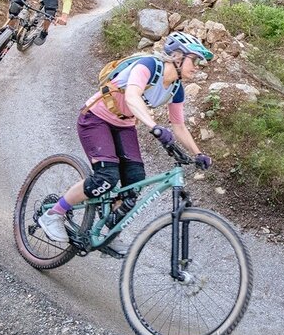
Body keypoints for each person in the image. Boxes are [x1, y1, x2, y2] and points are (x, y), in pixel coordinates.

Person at [37, 32, 215, 251]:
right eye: (194, 60)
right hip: (95, 118)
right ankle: (54, 213)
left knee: (135, 181)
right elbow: (132, 96)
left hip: (124, 125)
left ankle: (107, 230)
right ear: (177, 56)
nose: (197, 66)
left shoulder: (176, 89)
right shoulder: (148, 65)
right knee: (106, 177)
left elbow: (179, 126)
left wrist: (198, 153)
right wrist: (154, 127)